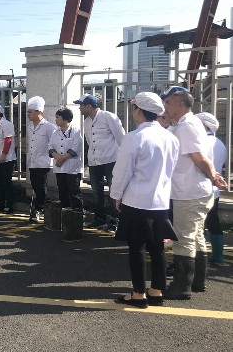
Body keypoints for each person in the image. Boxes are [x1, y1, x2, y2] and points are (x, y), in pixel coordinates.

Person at [110, 92, 179, 308]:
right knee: (157, 248)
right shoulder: (171, 138)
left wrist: (117, 195)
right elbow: (171, 169)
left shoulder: (134, 137)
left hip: (136, 200)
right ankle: (156, 291)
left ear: (138, 110)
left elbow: (122, 172)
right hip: (160, 201)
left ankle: (138, 294)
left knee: (137, 248)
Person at [161, 86, 226, 299]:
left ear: (180, 104)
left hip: (188, 191)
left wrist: (213, 175)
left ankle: (181, 286)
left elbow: (198, 158)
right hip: (194, 190)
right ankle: (197, 281)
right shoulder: (187, 123)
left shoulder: (186, 126)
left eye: (168, 102)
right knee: (196, 236)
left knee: (184, 239)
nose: (165, 106)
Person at [73, 93, 125, 229]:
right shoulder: (86, 122)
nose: (79, 108)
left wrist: (124, 160)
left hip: (111, 160)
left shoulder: (108, 117)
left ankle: (115, 220)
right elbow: (89, 142)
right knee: (96, 192)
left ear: (89, 106)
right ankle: (99, 218)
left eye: (81, 105)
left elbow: (121, 138)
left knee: (114, 191)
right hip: (94, 161)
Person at [196, 112, 227, 266]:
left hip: (198, 189)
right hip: (214, 190)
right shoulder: (220, 143)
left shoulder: (200, 142)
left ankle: (198, 259)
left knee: (197, 226)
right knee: (213, 222)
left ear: (204, 125)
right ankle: (218, 256)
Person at [26, 96, 57, 222]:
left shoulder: (49, 127)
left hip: (43, 162)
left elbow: (54, 144)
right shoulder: (29, 127)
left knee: (40, 186)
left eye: (30, 112)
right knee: (35, 185)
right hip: (32, 161)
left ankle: (40, 209)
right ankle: (41, 206)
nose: (28, 114)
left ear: (39, 112)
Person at [48, 108, 83, 212]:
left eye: (57, 117)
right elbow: (50, 147)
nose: (55, 119)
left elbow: (75, 148)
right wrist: (57, 157)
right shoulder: (55, 133)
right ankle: (65, 212)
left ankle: (77, 213)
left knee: (74, 192)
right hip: (59, 168)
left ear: (65, 119)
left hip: (72, 168)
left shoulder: (76, 132)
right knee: (62, 191)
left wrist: (61, 159)